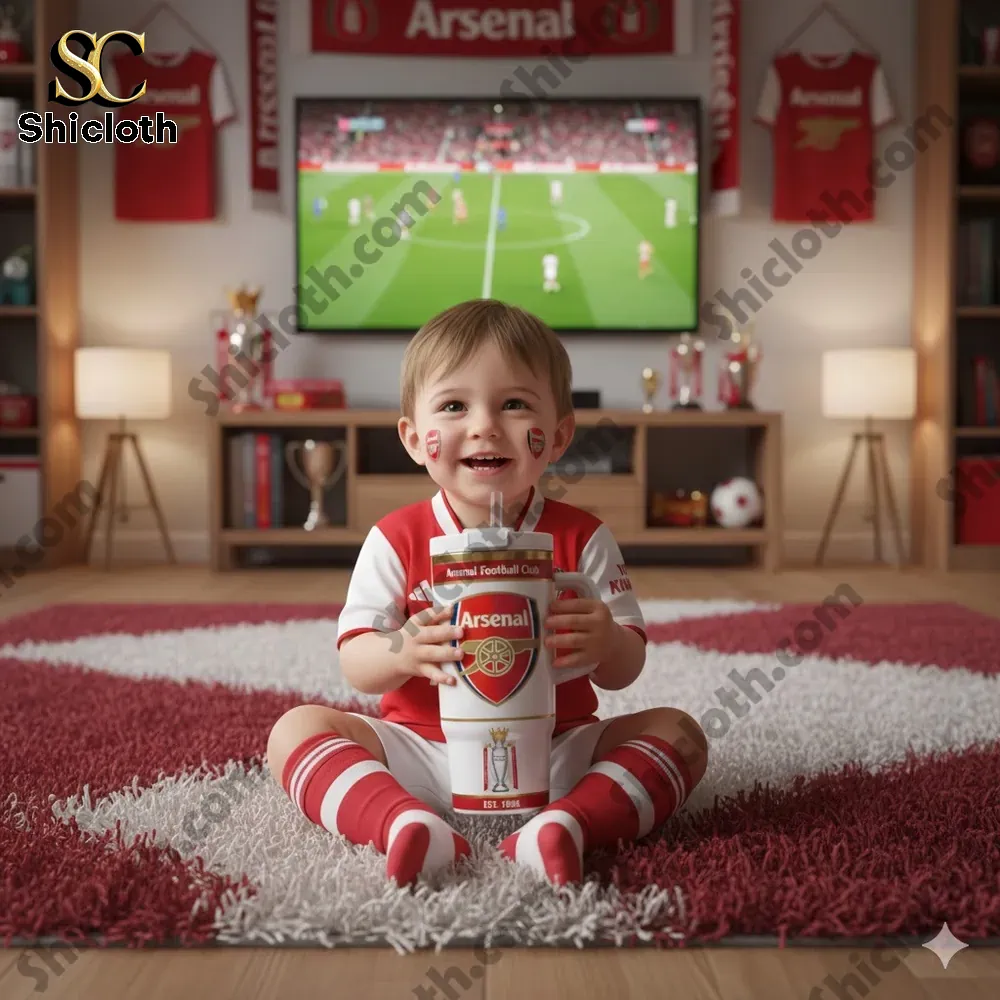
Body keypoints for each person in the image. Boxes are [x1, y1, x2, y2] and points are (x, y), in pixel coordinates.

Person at [266, 300, 708, 889]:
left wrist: (603, 639)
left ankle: (568, 824)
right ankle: (402, 822)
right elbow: (357, 662)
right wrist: (401, 649)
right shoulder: (395, 538)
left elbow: (625, 669)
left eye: (514, 404)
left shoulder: (584, 535)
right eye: (453, 406)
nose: (483, 426)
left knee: (680, 732)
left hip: (557, 749)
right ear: (413, 439)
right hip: (423, 751)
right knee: (294, 729)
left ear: (557, 436)